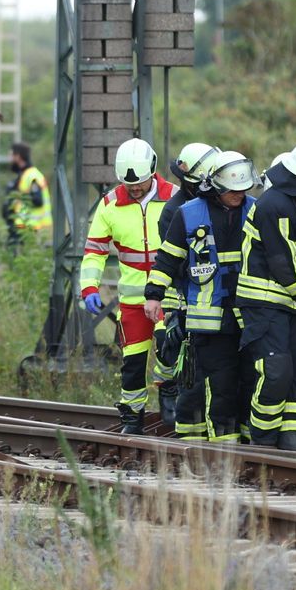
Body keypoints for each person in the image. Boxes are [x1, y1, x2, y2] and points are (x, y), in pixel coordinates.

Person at [146, 150, 256, 443]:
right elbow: (168, 259)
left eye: (243, 189)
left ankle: (243, 445)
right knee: (218, 384)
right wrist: (154, 295)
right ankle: (221, 448)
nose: (239, 194)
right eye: (233, 189)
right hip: (209, 319)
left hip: (250, 316)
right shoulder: (188, 213)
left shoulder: (257, 210)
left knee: (248, 381)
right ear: (217, 186)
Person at [236, 140, 296, 450]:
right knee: (276, 370)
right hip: (263, 304)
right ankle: (263, 441)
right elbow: (281, 260)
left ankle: (294, 438)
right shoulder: (271, 204)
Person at [79, 137, 177, 434]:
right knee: (133, 363)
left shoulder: (176, 198)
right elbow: (94, 251)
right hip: (133, 303)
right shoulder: (110, 205)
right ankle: (133, 418)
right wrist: (89, 288)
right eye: (129, 185)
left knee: (170, 351)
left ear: (153, 171)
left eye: (141, 184)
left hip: (170, 297)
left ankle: (170, 394)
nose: (135, 189)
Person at [155, 140, 222, 438]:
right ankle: (191, 437)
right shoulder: (175, 212)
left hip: (223, 302)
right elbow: (176, 265)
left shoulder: (222, 205)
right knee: (192, 374)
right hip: (189, 302)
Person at [2, 142, 51, 248]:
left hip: (27, 228)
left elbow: (38, 200)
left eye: (11, 155)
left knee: (21, 257)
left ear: (18, 156)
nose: (9, 159)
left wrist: (18, 198)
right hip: (20, 227)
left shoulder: (31, 175)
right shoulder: (24, 175)